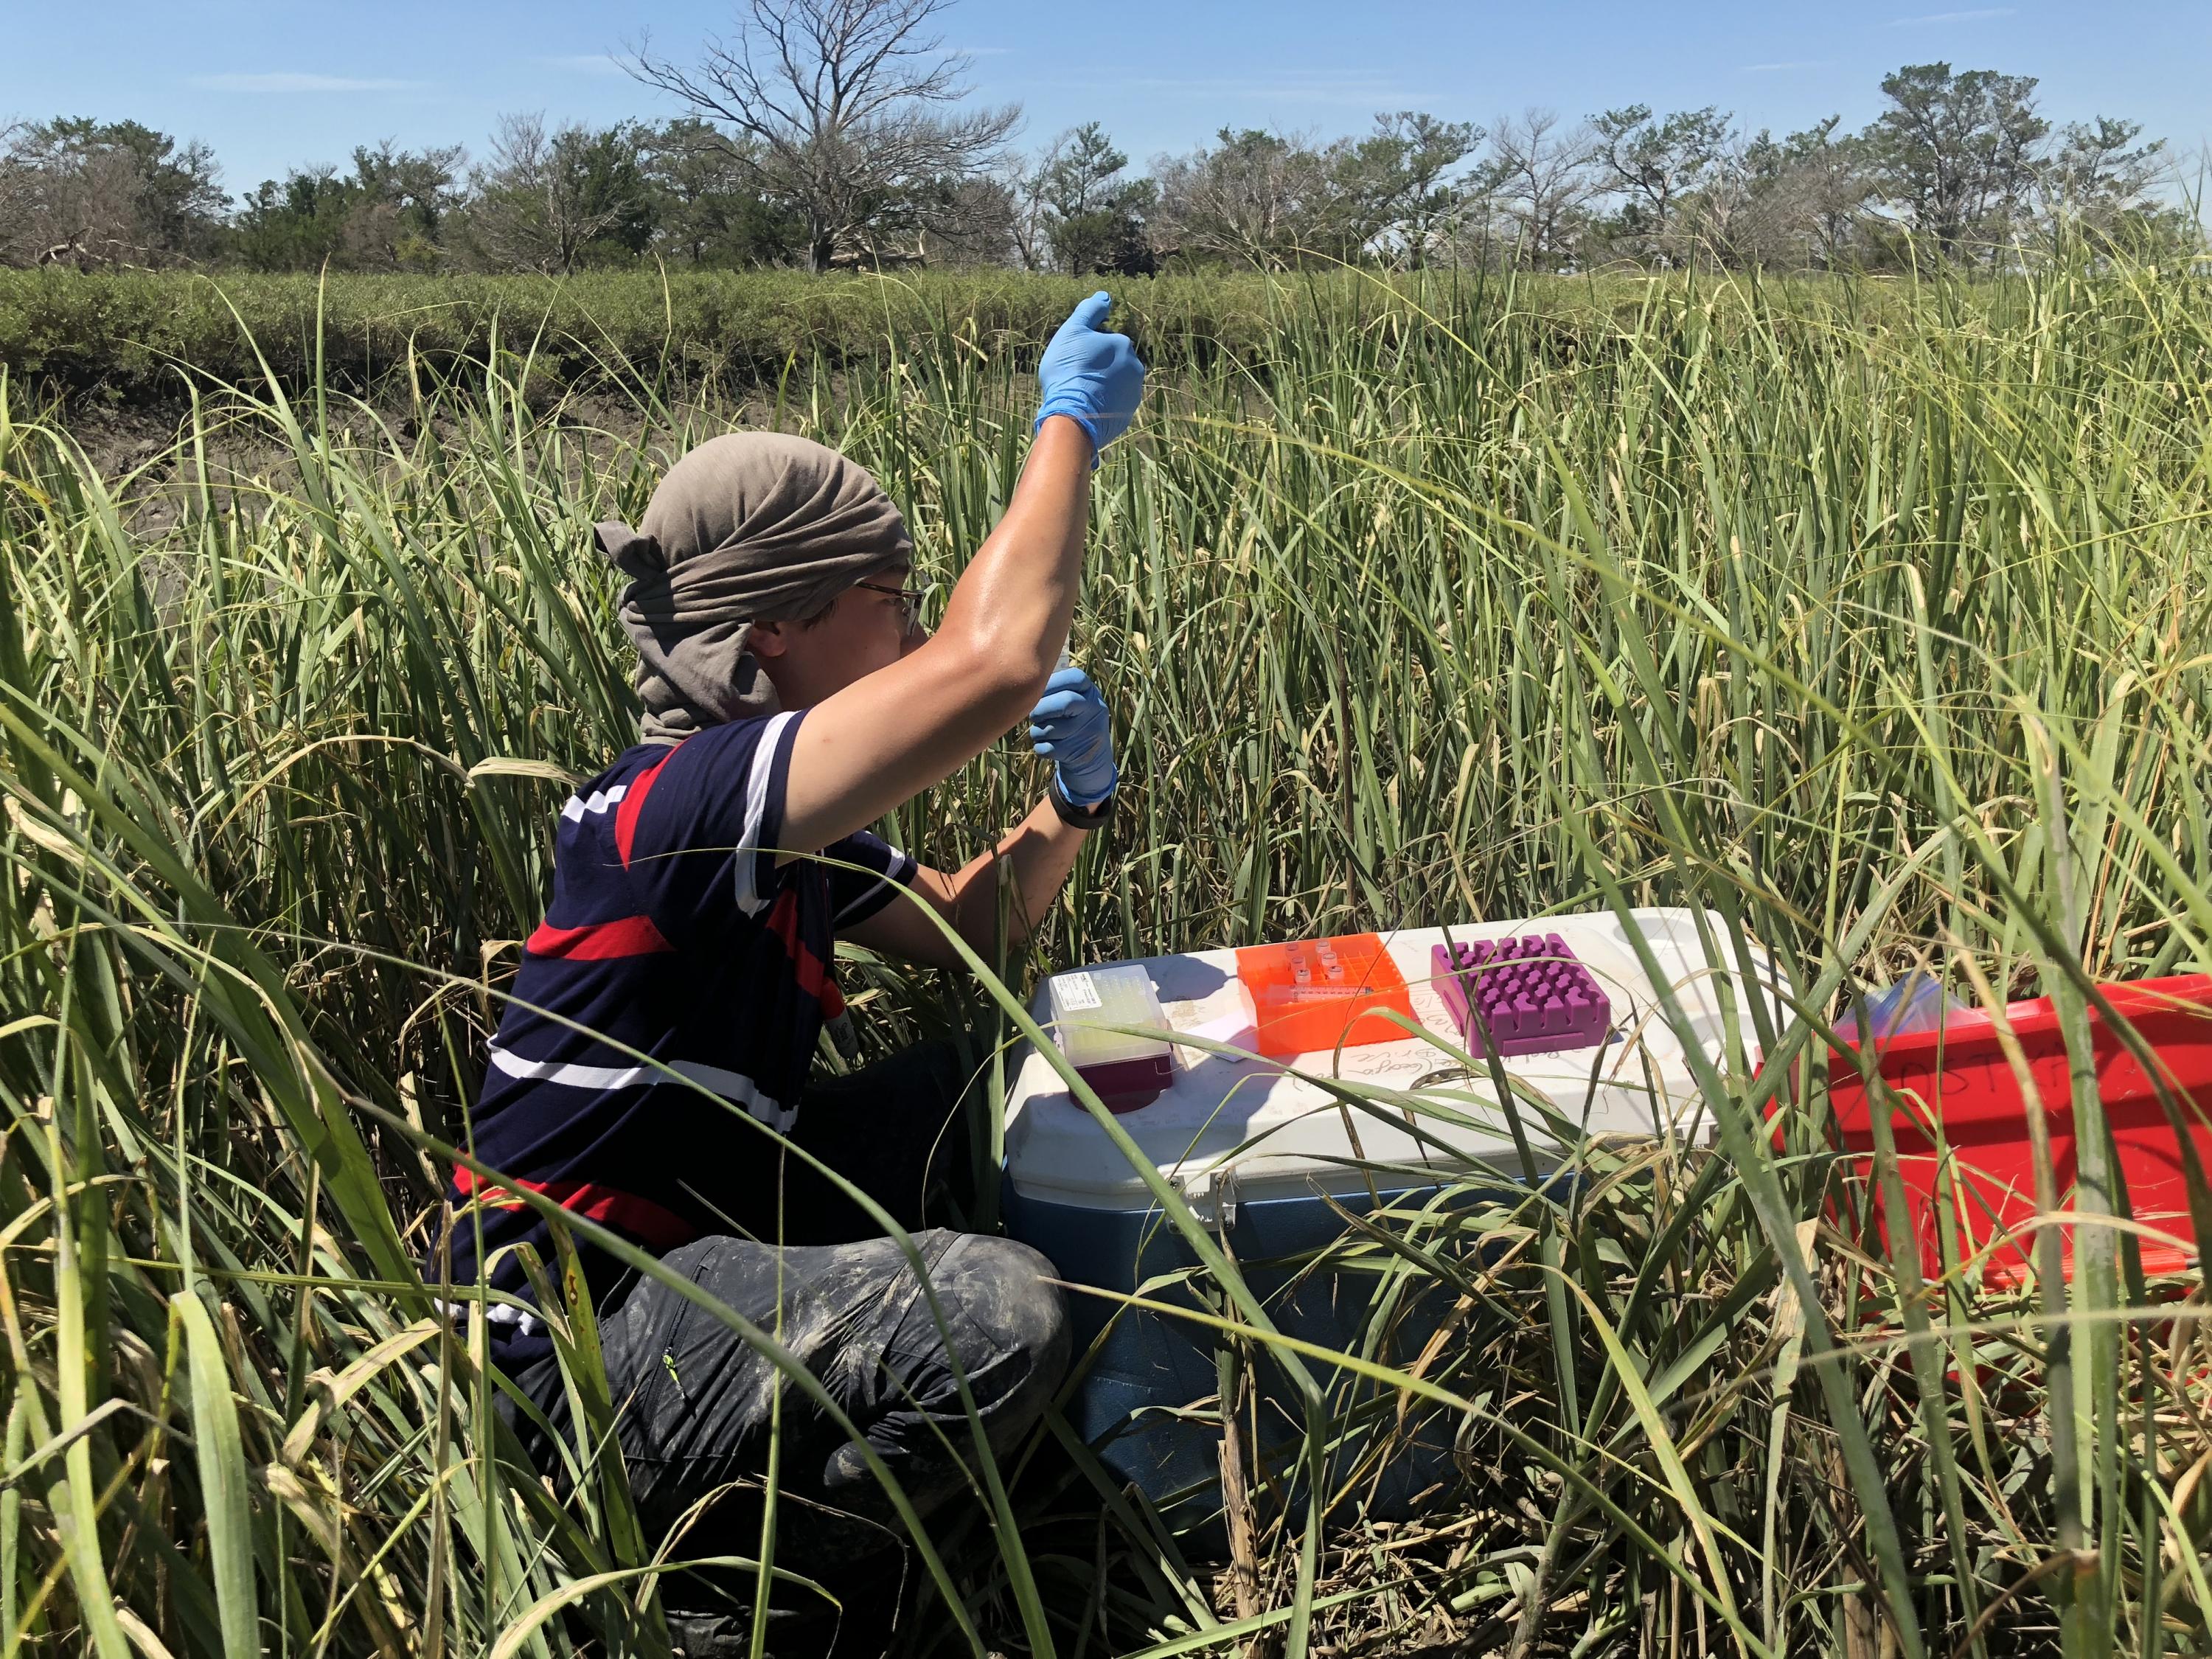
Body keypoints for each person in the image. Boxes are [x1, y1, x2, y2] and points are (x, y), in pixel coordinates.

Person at [429, 293, 1146, 1651]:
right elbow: (990, 657)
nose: (911, 626)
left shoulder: (786, 833)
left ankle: (856, 1466)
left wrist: (1073, 803)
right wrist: (1068, 430)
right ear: (770, 632)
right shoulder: (672, 807)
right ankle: (764, 1591)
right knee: (994, 1316)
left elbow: (972, 935)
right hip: (576, 1344)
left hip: (705, 1246)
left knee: (991, 1082)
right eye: (888, 597)